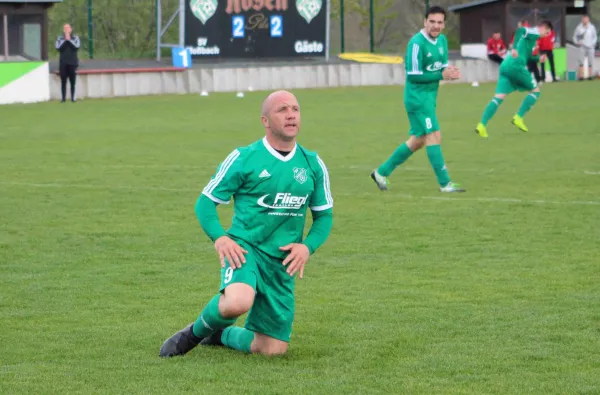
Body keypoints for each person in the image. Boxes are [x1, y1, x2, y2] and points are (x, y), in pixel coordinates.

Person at [159, 90, 333, 357]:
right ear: (265, 120)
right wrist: (221, 237)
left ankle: (221, 334)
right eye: (282, 109)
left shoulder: (313, 164)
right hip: (245, 248)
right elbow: (205, 203)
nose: (291, 115)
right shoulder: (245, 158)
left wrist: (307, 247)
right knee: (237, 302)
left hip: (282, 261)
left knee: (272, 350)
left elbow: (324, 216)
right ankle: (192, 334)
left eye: (295, 109)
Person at [371, 5, 465, 193]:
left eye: (439, 22)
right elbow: (413, 75)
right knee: (433, 135)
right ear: (425, 22)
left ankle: (381, 172)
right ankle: (445, 183)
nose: (435, 26)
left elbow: (441, 69)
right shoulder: (416, 44)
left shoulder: (442, 42)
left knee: (418, 140)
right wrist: (441, 75)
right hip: (417, 98)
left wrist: (449, 72)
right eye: (432, 22)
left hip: (430, 97)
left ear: (444, 24)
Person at [475, 20, 552, 138]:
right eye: (547, 33)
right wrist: (515, 48)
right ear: (543, 28)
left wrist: (538, 59)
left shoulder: (532, 40)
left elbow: (529, 56)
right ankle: (519, 117)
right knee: (536, 92)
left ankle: (482, 125)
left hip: (506, 65)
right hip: (516, 66)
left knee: (498, 97)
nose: (546, 36)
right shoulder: (535, 32)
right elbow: (520, 30)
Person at [55, 23, 80, 103]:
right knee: (63, 81)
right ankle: (63, 99)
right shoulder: (59, 38)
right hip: (63, 63)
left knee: (73, 81)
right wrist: (65, 40)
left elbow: (76, 47)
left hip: (73, 63)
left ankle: (73, 98)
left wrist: (69, 40)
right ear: (63, 30)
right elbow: (58, 48)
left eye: (68, 28)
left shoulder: (76, 38)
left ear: (71, 29)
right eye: (65, 28)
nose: (66, 29)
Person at [573, 14, 597, 80]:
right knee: (581, 61)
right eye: (583, 18)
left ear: (588, 19)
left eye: (586, 18)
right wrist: (577, 42)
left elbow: (595, 37)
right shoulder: (579, 27)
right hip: (582, 46)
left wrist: (592, 43)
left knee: (590, 61)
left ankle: (590, 75)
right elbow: (575, 37)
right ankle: (581, 76)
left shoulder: (592, 27)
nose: (584, 20)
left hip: (590, 46)